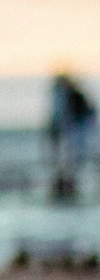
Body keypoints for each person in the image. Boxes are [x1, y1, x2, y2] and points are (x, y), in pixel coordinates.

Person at [46, 70, 96, 201]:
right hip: (72, 130)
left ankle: (68, 183)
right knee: (70, 156)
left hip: (74, 130)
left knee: (72, 156)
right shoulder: (68, 94)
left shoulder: (69, 95)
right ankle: (67, 183)